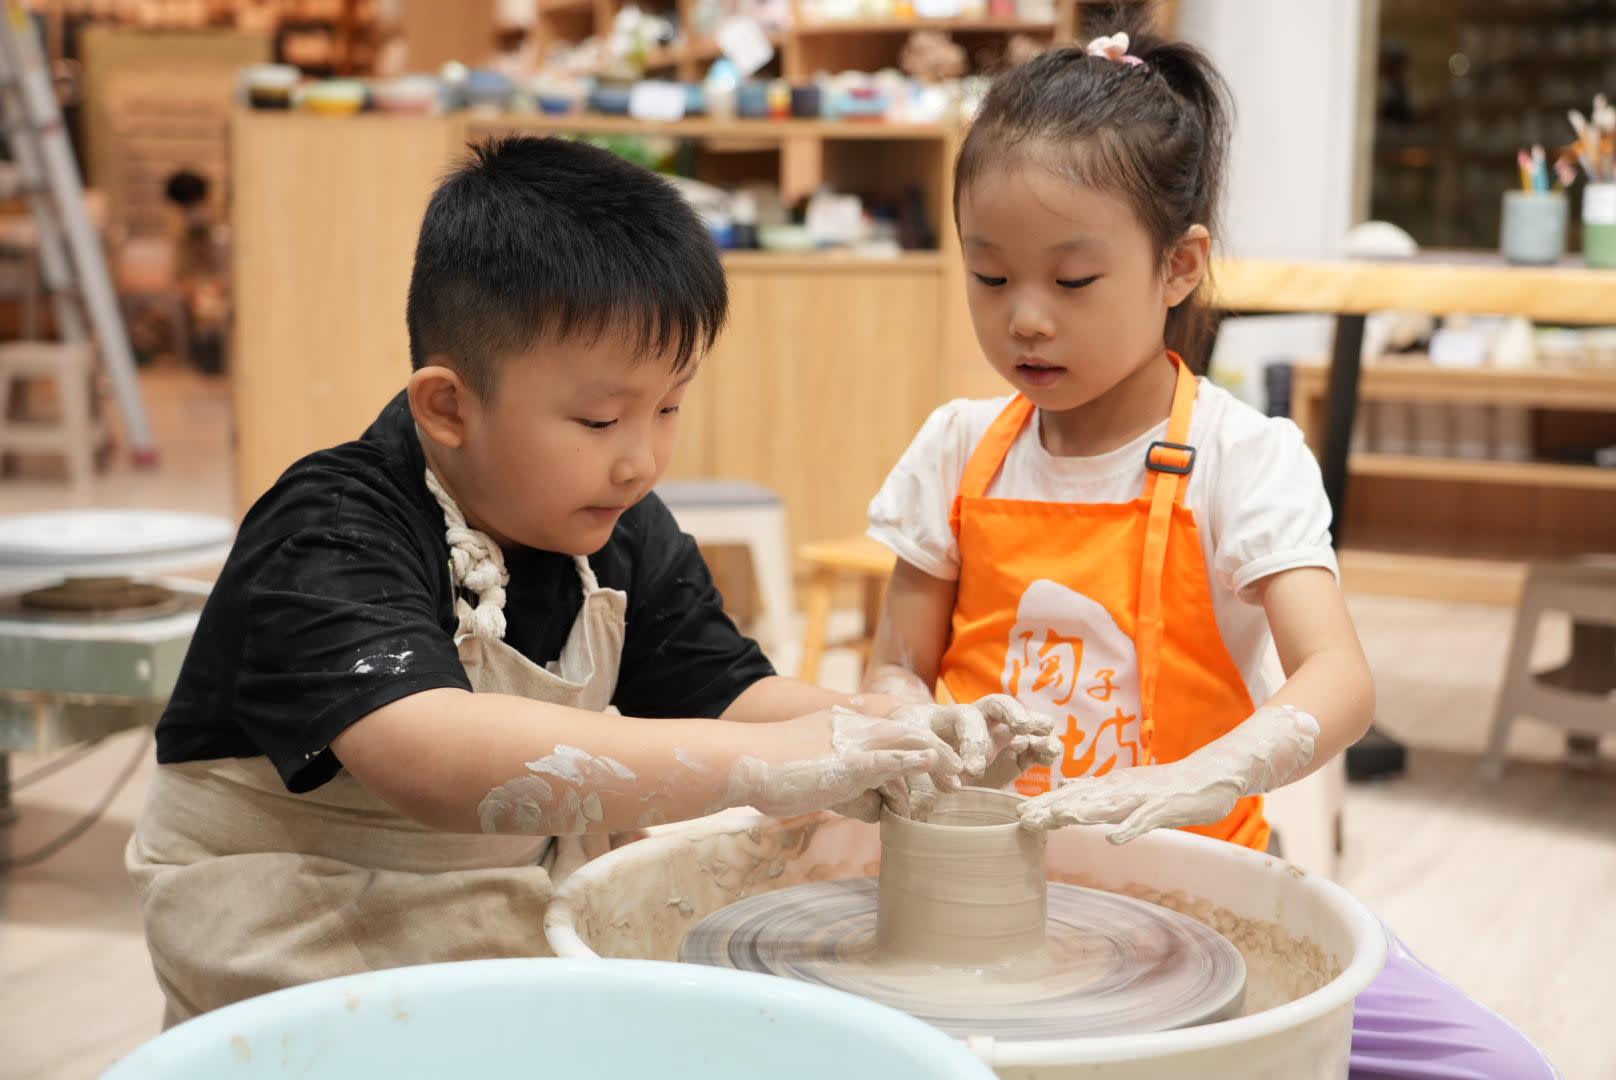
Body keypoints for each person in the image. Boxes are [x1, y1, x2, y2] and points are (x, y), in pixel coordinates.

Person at [126, 135, 1057, 1027]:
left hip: (486, 928)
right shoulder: (330, 525)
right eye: (602, 420)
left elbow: (727, 691)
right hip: (297, 958)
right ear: (448, 407)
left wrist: (884, 729)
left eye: (669, 407)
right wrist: (772, 763)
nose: (640, 460)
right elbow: (427, 755)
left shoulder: (616, 529)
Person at [861, 27, 1559, 1080]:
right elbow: (893, 667)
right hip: (982, 898)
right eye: (989, 276)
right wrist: (906, 722)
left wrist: (1206, 772)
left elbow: (1339, 679)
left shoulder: (1243, 458)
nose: (1025, 320)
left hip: (1195, 892)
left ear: (1178, 267)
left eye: (1073, 279)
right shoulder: (957, 450)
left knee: (1496, 1069)